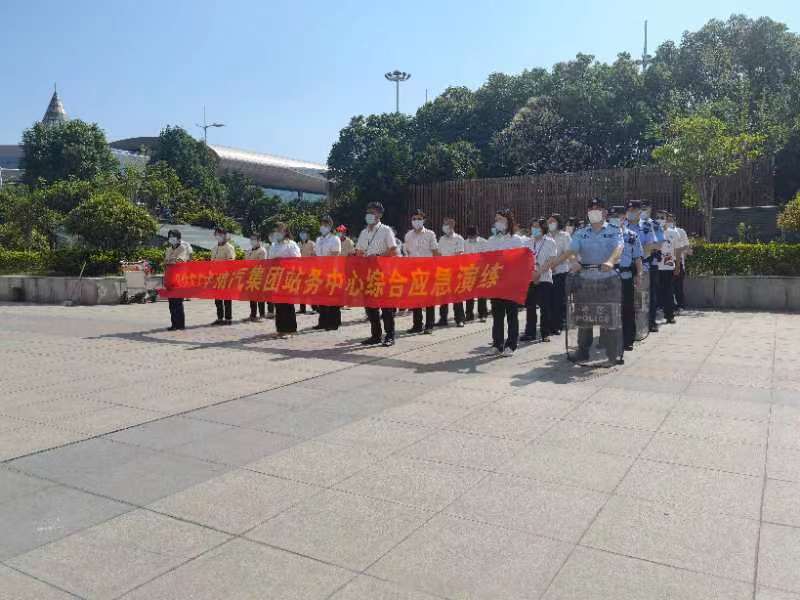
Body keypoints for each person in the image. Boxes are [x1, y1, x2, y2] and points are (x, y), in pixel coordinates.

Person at [547, 198, 624, 362]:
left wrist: (611, 261)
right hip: (585, 280)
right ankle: (583, 350)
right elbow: (572, 250)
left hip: (607, 279)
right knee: (584, 315)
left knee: (608, 315)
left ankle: (612, 352)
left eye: (598, 208)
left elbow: (619, 247)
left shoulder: (614, 230)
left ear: (604, 212)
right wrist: (572, 261)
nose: (594, 211)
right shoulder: (581, 232)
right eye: (591, 208)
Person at [355, 201, 398, 346]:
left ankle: (390, 336)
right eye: (368, 212)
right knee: (371, 307)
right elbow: (359, 251)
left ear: (379, 214)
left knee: (386, 307)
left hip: (382, 273)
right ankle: (376, 335)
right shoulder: (363, 232)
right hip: (368, 273)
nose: (369, 215)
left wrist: (378, 256)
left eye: (372, 213)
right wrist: (359, 256)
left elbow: (393, 250)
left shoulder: (386, 230)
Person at [486, 209, 525, 357]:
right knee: (497, 315)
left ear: (508, 221)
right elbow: (486, 260)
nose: (497, 222)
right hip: (496, 282)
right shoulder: (492, 240)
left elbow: (521, 260)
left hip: (511, 283)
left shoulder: (516, 240)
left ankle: (511, 345)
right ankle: (497, 344)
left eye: (500, 219)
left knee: (511, 315)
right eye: (496, 220)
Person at [609, 205, 644, 351]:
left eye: (618, 216)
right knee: (609, 309)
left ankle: (628, 339)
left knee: (627, 309)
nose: (615, 219)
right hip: (608, 277)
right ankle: (608, 339)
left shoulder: (632, 235)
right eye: (612, 216)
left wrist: (639, 274)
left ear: (624, 217)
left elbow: (638, 257)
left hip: (626, 276)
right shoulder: (605, 234)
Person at [625, 200, 661, 333]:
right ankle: (628, 327)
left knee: (642, 298)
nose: (631, 212)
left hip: (642, 266)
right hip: (625, 267)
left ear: (639, 212)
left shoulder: (647, 226)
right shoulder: (622, 225)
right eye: (629, 210)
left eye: (634, 210)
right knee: (627, 299)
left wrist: (635, 252)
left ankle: (645, 325)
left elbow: (652, 245)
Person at [404, 209, 439, 335]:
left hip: (428, 269)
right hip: (413, 270)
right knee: (415, 298)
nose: (416, 221)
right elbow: (407, 253)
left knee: (429, 299)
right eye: (414, 219)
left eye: (419, 219)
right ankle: (417, 325)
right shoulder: (408, 235)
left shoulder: (430, 234)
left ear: (424, 220)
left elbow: (435, 252)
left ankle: (429, 325)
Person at [522, 218, 557, 343]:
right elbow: (523, 260)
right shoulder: (527, 242)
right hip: (530, 277)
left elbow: (551, 260)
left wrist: (539, 273)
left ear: (543, 228)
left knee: (545, 307)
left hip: (545, 278)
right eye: (533, 226)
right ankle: (530, 332)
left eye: (537, 226)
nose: (534, 229)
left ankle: (545, 333)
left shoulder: (550, 242)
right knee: (530, 306)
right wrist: (532, 274)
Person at [268, 223, 301, 338]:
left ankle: (291, 330)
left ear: (285, 232)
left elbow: (297, 260)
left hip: (287, 277)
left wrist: (283, 262)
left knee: (288, 304)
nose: (277, 233)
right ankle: (281, 329)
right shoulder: (273, 245)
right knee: (278, 304)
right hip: (276, 276)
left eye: (280, 230)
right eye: (276, 230)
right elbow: (269, 260)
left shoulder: (291, 244)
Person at [654, 210, 685, 325]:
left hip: (668, 267)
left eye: (662, 217)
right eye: (658, 217)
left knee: (668, 292)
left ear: (667, 219)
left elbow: (678, 251)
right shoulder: (652, 231)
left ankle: (669, 315)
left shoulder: (674, 233)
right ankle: (653, 317)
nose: (660, 220)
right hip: (655, 267)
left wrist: (677, 267)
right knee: (655, 293)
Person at [314, 216, 342, 331]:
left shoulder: (335, 239)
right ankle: (323, 322)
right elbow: (316, 255)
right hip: (320, 271)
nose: (323, 227)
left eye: (325, 225)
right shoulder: (318, 239)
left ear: (330, 226)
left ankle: (334, 322)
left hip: (332, 271)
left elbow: (335, 255)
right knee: (322, 298)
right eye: (321, 224)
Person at [437, 217, 466, 327]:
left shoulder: (459, 238)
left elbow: (459, 254)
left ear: (452, 226)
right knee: (443, 296)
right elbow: (439, 254)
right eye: (444, 224)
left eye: (447, 224)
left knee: (457, 296)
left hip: (455, 271)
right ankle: (443, 319)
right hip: (443, 271)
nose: (444, 226)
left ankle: (459, 319)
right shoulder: (441, 239)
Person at [547, 213, 571, 334]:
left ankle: (558, 325)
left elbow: (567, 253)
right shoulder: (546, 236)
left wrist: (554, 264)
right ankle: (549, 323)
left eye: (553, 221)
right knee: (549, 300)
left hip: (560, 271)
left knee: (559, 300)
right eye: (549, 222)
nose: (550, 223)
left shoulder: (564, 236)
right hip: (547, 272)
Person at [164, 229, 190, 331]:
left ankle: (181, 325)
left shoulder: (183, 248)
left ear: (179, 238)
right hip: (170, 277)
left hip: (179, 278)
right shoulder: (168, 249)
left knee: (178, 302)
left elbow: (179, 261)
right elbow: (166, 261)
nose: (172, 238)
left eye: (173, 236)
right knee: (171, 303)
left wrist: (170, 261)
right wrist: (171, 261)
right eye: (170, 236)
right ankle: (174, 324)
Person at [211, 227, 236, 325]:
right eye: (216, 234)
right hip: (215, 276)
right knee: (217, 299)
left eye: (220, 234)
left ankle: (228, 318)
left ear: (225, 235)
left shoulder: (229, 247)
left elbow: (231, 261)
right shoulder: (214, 248)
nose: (218, 236)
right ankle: (220, 318)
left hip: (226, 276)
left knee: (226, 298)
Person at [464, 226, 488, 322]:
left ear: (477, 234)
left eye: (473, 236)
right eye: (470, 236)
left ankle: (482, 314)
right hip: (469, 271)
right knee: (469, 294)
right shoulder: (465, 243)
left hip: (481, 271)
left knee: (481, 294)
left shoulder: (484, 242)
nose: (471, 238)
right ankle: (469, 314)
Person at [245, 233, 268, 322]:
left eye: (254, 239)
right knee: (252, 296)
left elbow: (261, 264)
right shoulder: (248, 250)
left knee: (260, 296)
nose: (252, 241)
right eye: (251, 239)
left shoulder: (262, 251)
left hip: (259, 275)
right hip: (250, 275)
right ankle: (253, 314)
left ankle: (262, 314)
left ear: (259, 240)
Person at [669, 215, 690, 310]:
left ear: (675, 221)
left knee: (678, 286)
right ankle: (669, 305)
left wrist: (677, 249)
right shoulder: (662, 231)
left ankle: (680, 305)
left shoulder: (680, 231)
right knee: (668, 286)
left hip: (678, 261)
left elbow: (686, 246)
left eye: (671, 220)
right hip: (665, 263)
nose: (669, 222)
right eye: (668, 220)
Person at [298, 230, 316, 315]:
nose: (303, 235)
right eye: (301, 234)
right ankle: (302, 308)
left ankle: (315, 307)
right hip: (300, 269)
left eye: (304, 234)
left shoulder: (312, 244)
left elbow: (315, 255)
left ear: (308, 235)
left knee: (311, 288)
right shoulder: (298, 244)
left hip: (310, 269)